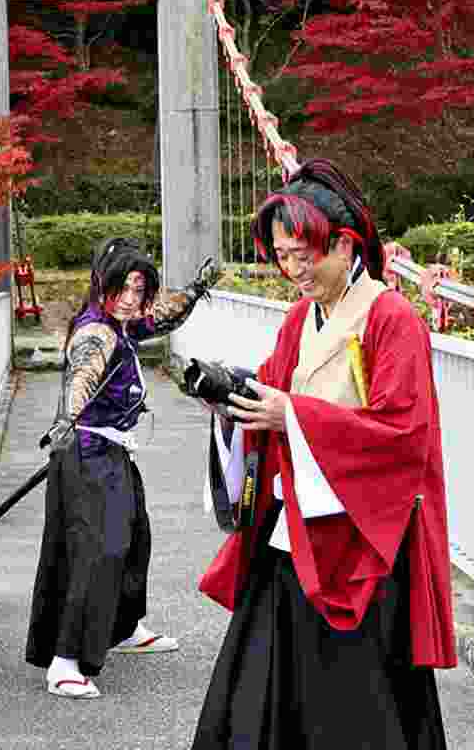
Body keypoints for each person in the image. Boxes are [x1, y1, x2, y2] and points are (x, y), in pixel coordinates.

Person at [192, 160, 456, 750]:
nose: (293, 269)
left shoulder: (392, 318)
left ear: (344, 243)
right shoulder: (297, 318)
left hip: (363, 540)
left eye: (304, 254)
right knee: (263, 690)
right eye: (283, 255)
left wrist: (296, 417)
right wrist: (234, 408)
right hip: (296, 531)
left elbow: (405, 435)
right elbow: (272, 396)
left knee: (359, 702)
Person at [25, 236, 219, 699]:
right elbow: (83, 373)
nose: (132, 300)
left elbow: (162, 318)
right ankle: (66, 660)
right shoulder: (97, 332)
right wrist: (68, 418)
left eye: (139, 289)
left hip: (110, 452)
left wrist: (194, 291)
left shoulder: (123, 323)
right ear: (101, 286)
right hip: (87, 453)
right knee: (99, 552)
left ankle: (123, 627)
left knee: (134, 540)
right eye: (123, 289)